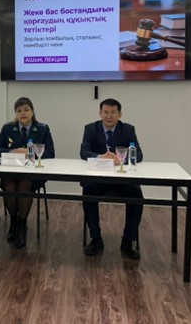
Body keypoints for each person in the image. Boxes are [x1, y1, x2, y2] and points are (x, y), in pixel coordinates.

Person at [80, 98, 144, 260]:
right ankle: (96, 239)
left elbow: (139, 154)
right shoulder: (91, 128)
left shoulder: (128, 129)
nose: (109, 116)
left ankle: (128, 240)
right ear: (100, 113)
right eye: (105, 112)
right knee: (88, 192)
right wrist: (100, 157)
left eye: (113, 113)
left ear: (119, 114)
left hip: (122, 179)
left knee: (136, 195)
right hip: (98, 178)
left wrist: (120, 159)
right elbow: (84, 151)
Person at [0, 97, 55, 248]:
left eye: (26, 110)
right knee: (9, 186)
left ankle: (22, 225)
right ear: (15, 113)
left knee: (24, 185)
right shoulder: (8, 128)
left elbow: (50, 153)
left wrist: (29, 152)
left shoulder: (42, 129)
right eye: (19, 111)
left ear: (32, 112)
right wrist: (13, 152)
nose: (23, 113)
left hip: (33, 174)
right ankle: (13, 222)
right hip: (11, 170)